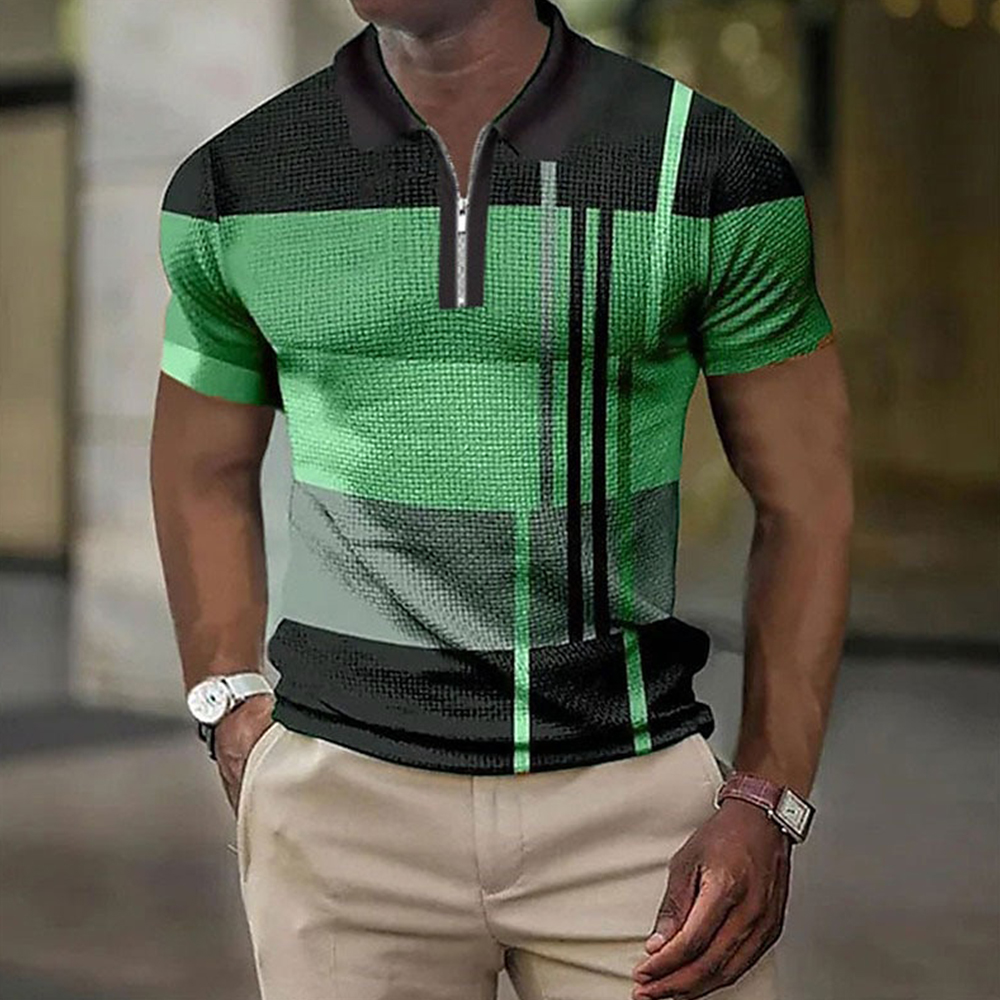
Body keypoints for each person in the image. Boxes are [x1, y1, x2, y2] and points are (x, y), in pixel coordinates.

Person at [149, 0, 852, 997]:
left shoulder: (705, 170)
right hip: (340, 807)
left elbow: (806, 500)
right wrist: (225, 697)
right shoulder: (235, 182)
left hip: (634, 813)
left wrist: (767, 796)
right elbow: (201, 466)